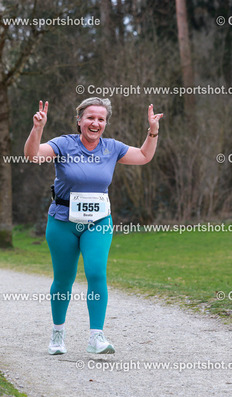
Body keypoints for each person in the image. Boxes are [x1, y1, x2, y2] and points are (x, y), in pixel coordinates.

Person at [24, 97, 163, 355]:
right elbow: (32, 156)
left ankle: (96, 336)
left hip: (98, 222)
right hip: (63, 221)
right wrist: (38, 128)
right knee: (63, 279)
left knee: (96, 273)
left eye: (101, 119)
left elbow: (144, 156)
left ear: (106, 123)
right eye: (90, 118)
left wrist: (152, 131)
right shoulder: (64, 144)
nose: (95, 123)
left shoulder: (112, 148)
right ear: (79, 120)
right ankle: (57, 334)